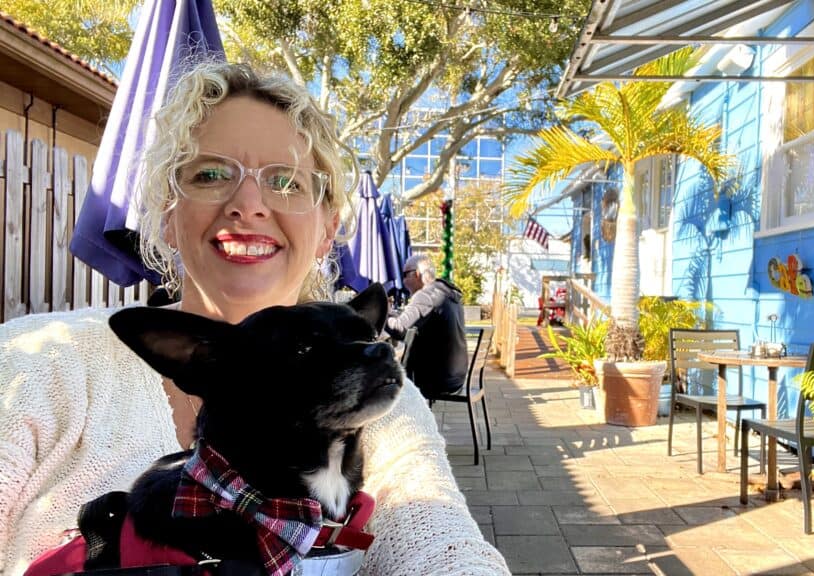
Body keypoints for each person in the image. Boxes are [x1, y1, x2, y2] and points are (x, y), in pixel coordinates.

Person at [0, 61, 509, 575]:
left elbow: (440, 541)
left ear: (328, 227)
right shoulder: (35, 364)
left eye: (286, 181)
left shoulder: (385, 409)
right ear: (168, 217)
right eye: (211, 174)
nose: (248, 204)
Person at [384, 255, 468, 396]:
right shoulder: (447, 293)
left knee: (382, 379)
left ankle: (398, 416)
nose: (403, 281)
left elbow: (398, 329)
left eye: (404, 275)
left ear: (416, 274)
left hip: (436, 380)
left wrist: (381, 311)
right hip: (456, 377)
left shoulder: (426, 295)